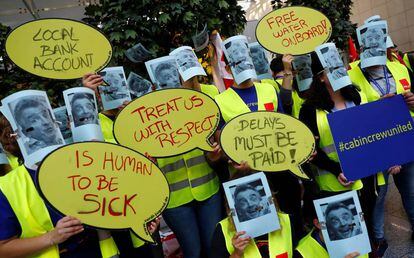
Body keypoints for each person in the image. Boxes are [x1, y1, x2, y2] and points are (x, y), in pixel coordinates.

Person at [0, 114, 119, 258]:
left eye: (49, 121)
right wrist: (51, 237)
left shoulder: (80, 162)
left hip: (99, 249)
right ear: (14, 136)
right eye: (32, 125)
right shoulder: (6, 187)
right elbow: (3, 249)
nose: (44, 128)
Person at [82, 72, 164, 258]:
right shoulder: (94, 122)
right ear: (99, 95)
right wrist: (86, 91)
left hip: (144, 203)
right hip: (113, 206)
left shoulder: (136, 117)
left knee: (152, 252)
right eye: (107, 89)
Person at [349, 31, 414, 244]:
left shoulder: (399, 67)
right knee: (378, 197)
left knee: (411, 192)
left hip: (405, 141)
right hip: (375, 146)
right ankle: (377, 240)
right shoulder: (350, 74)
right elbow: (350, 112)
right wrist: (378, 108)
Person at [210, 171, 296, 258]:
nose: (250, 204)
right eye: (243, 202)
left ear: (261, 199)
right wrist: (236, 254)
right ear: (237, 209)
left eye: (253, 198)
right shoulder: (223, 230)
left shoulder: (287, 221)